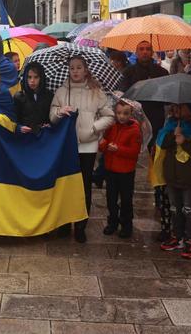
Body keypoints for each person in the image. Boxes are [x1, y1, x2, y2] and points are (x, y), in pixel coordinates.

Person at [50, 56, 115, 243]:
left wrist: (94, 127)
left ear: (86, 70)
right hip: (66, 144)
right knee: (65, 184)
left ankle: (81, 225)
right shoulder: (61, 91)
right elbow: (52, 114)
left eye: (79, 68)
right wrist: (59, 113)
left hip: (87, 144)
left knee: (83, 185)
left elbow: (109, 115)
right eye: (72, 68)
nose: (75, 71)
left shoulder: (96, 91)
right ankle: (64, 223)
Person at [122, 40, 170, 241]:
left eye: (147, 49)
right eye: (140, 49)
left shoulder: (161, 73)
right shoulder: (129, 72)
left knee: (157, 161)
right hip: (135, 122)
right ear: (136, 51)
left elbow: (167, 97)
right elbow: (123, 96)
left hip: (156, 121)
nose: (144, 52)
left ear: (152, 52)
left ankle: (160, 196)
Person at [153, 104, 191, 259]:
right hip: (172, 176)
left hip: (189, 178)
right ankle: (177, 236)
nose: (176, 111)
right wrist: (173, 136)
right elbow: (161, 143)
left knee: (189, 210)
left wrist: (185, 141)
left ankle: (190, 239)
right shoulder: (171, 125)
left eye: (180, 107)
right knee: (175, 208)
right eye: (175, 108)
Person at [98, 101, 142, 238]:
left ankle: (126, 225)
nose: (121, 116)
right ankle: (112, 223)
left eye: (125, 113)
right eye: (119, 113)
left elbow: (134, 152)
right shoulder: (111, 126)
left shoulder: (134, 129)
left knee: (126, 200)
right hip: (110, 169)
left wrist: (118, 149)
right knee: (111, 198)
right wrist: (104, 145)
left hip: (126, 171)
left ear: (131, 114)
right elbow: (103, 142)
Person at [13, 63, 53, 134]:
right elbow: (14, 119)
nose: (32, 80)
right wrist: (19, 127)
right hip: (25, 137)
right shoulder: (18, 96)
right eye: (29, 77)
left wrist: (48, 124)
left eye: (36, 77)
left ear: (41, 78)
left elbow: (50, 117)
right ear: (25, 78)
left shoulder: (49, 95)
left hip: (44, 136)